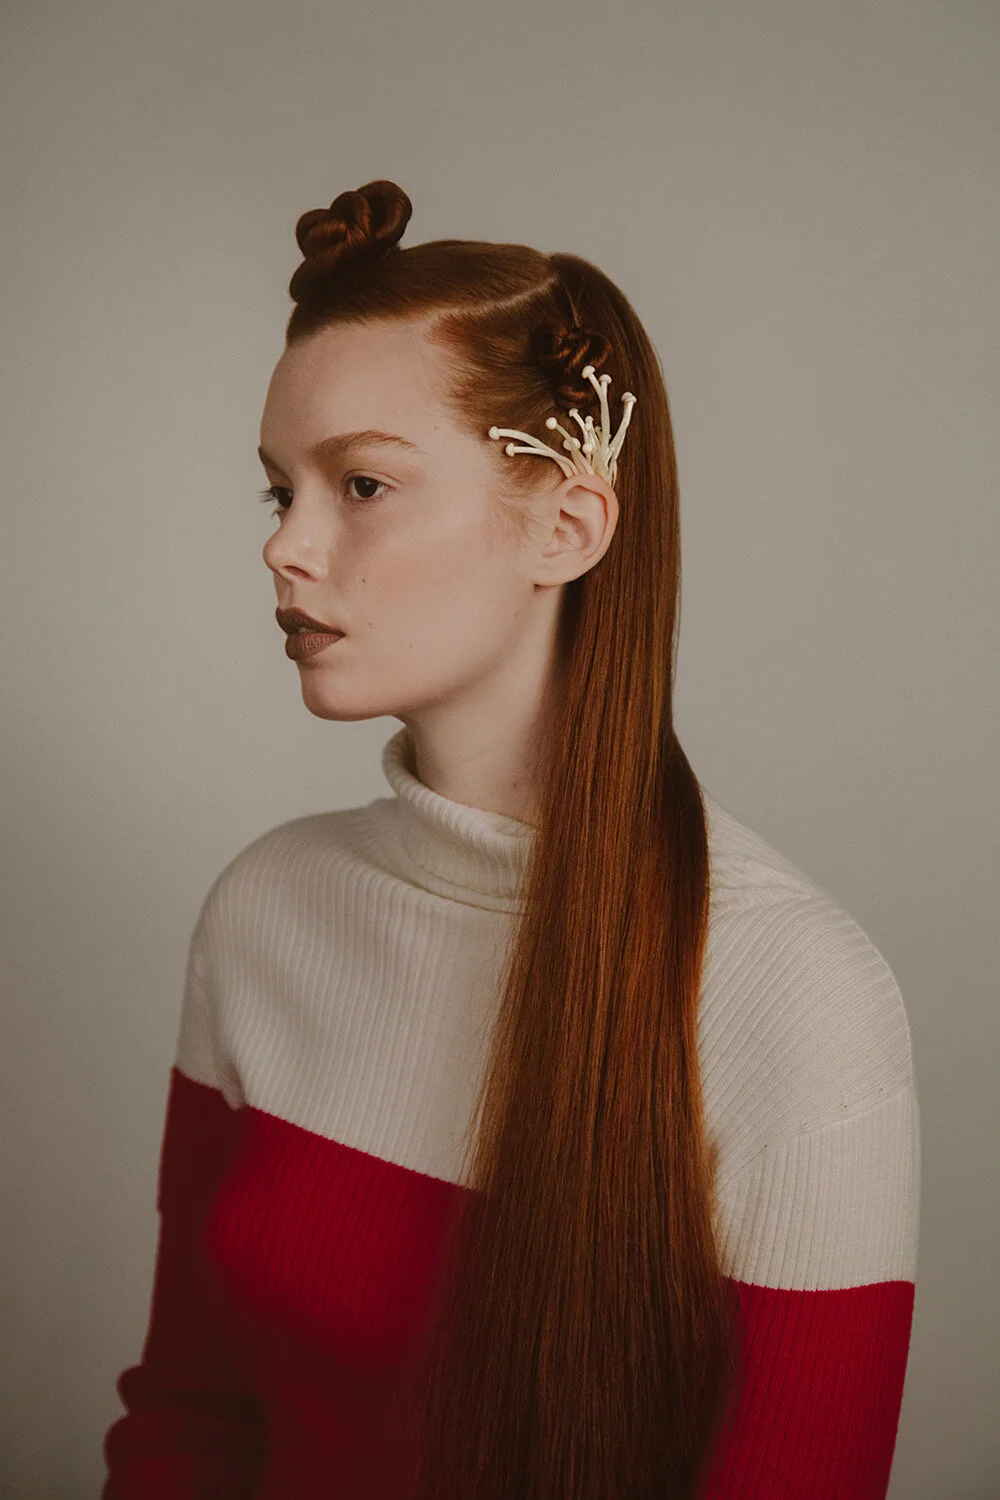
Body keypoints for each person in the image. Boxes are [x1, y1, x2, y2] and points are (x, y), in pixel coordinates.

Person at [102, 179, 920, 1499]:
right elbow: (187, 1422)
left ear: (566, 527)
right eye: (279, 491)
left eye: (362, 484)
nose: (287, 548)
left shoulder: (793, 995)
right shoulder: (266, 908)